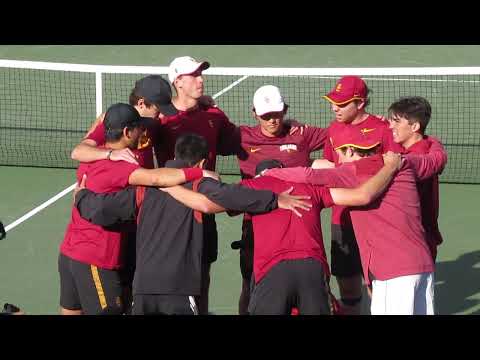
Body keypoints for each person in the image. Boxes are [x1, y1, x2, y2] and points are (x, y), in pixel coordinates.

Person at [74, 133, 312, 315]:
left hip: (144, 288)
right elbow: (235, 196)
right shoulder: (200, 183)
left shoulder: (144, 189)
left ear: (176, 155)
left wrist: (82, 196)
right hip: (179, 290)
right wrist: (274, 199)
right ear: (202, 163)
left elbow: (102, 209)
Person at [264, 129, 448, 315]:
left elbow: (308, 175)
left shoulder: (349, 172)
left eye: (338, 153)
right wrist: (432, 141)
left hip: (394, 273)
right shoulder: (405, 163)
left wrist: (267, 173)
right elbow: (436, 159)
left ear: (350, 151)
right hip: (421, 266)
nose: (336, 159)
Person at [59, 104, 212, 315]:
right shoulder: (125, 168)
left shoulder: (91, 155)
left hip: (69, 253)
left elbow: (81, 146)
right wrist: (199, 173)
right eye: (138, 128)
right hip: (97, 258)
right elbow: (157, 178)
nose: (142, 132)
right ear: (126, 132)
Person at [235, 155, 400, 315]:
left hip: (270, 270)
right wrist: (390, 168)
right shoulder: (310, 187)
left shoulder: (252, 187)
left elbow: (212, 204)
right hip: (312, 268)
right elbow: (362, 196)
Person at [232, 85, 328, 314]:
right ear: (254, 113)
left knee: (309, 288)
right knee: (249, 284)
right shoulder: (241, 136)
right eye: (266, 116)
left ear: (285, 109)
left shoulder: (301, 134)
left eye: (277, 114)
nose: (273, 120)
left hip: (299, 227)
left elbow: (337, 136)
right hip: (256, 227)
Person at [318, 75, 404, 314]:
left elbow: (396, 170)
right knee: (348, 290)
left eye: (343, 103)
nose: (335, 108)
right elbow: (329, 163)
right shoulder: (333, 129)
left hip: (376, 220)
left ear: (361, 103)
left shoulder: (384, 129)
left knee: (378, 287)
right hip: (342, 219)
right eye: (334, 102)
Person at [387, 96, 443, 261]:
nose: (391, 126)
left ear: (415, 127)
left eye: (397, 122)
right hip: (420, 237)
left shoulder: (412, 161)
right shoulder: (428, 146)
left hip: (412, 240)